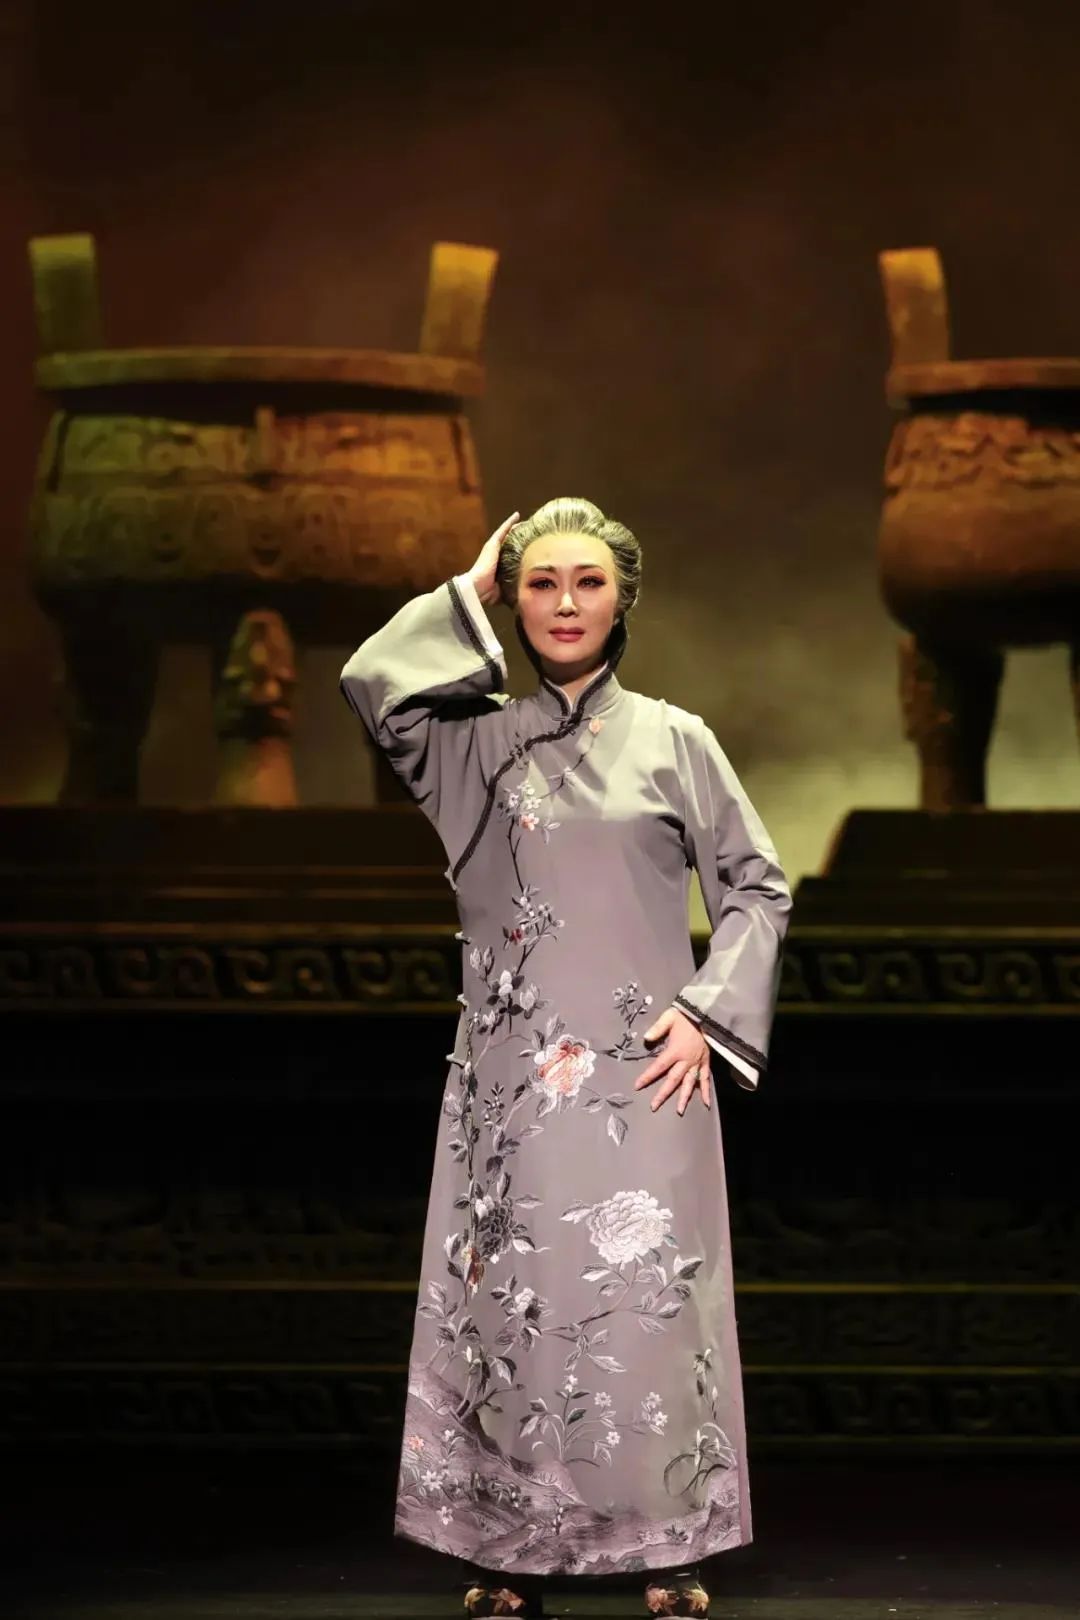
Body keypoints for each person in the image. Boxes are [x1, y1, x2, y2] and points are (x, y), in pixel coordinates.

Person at [339, 498, 792, 1619]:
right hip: (515, 1083)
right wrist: (471, 587)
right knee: (513, 1310)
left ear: (624, 597)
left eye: (588, 581)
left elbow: (757, 887)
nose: (565, 604)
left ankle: (666, 1545)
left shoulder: (677, 740)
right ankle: (503, 1551)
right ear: (516, 600)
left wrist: (705, 1014)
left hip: (648, 1076)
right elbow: (372, 682)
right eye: (541, 583)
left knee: (650, 1310)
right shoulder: (470, 746)